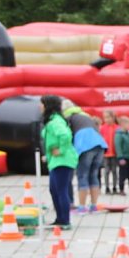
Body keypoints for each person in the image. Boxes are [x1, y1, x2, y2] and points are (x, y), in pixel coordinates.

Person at [62, 99, 107, 214]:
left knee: (82, 175)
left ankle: (81, 207)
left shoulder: (68, 117)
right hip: (99, 144)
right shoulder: (85, 115)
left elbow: (67, 135)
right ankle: (93, 206)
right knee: (93, 175)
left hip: (85, 145)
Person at [40, 95, 78, 229]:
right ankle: (60, 218)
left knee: (61, 190)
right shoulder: (52, 120)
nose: (40, 107)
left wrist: (60, 150)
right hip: (55, 160)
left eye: (42, 104)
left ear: (47, 106)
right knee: (54, 189)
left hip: (63, 160)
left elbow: (65, 135)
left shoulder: (55, 121)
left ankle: (65, 220)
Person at [99, 110, 118, 195]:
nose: (106, 119)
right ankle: (106, 187)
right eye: (105, 118)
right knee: (106, 171)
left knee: (114, 170)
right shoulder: (102, 128)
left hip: (114, 153)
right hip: (106, 153)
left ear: (113, 117)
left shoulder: (117, 128)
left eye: (108, 117)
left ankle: (114, 187)